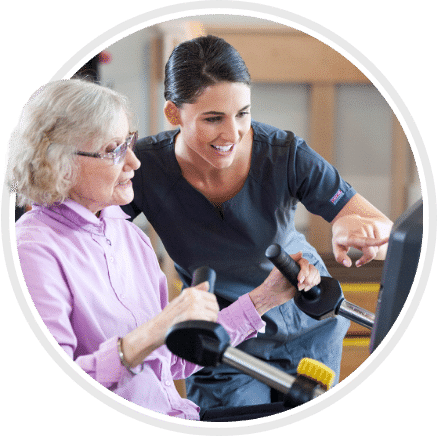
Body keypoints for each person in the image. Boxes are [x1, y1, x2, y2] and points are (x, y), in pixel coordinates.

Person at [5, 78, 321, 421]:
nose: (134, 163)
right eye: (114, 149)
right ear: (58, 163)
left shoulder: (127, 235)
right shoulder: (32, 250)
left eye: (130, 142)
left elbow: (171, 360)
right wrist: (157, 329)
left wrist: (265, 298)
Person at [122, 35, 393, 410]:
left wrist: (350, 226)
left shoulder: (284, 154)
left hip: (307, 323)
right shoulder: (143, 167)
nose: (232, 134)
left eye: (242, 113)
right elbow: (90, 231)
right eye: (213, 118)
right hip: (223, 338)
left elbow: (382, 227)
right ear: (173, 113)